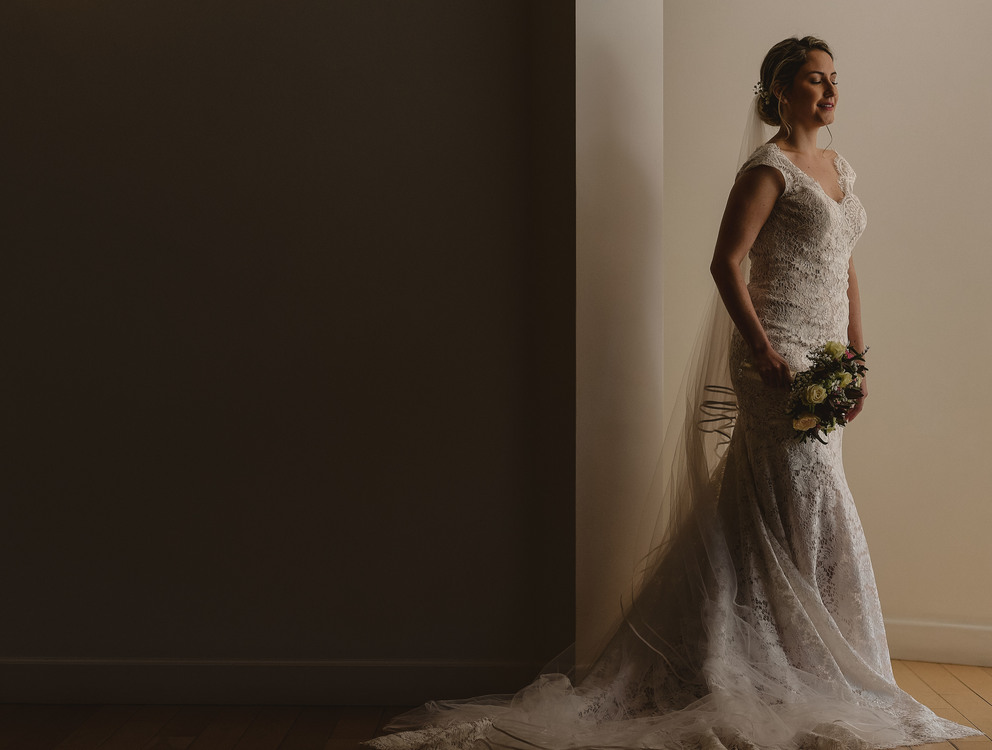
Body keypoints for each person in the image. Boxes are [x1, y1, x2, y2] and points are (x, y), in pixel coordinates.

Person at [365, 37, 983, 750]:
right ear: (781, 90)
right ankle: (778, 659)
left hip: (826, 359)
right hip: (777, 356)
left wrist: (857, 356)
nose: (830, 90)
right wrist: (762, 349)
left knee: (772, 505)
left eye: (834, 78)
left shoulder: (840, 168)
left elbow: (846, 269)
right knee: (798, 496)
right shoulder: (769, 169)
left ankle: (787, 652)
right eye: (815, 79)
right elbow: (725, 262)